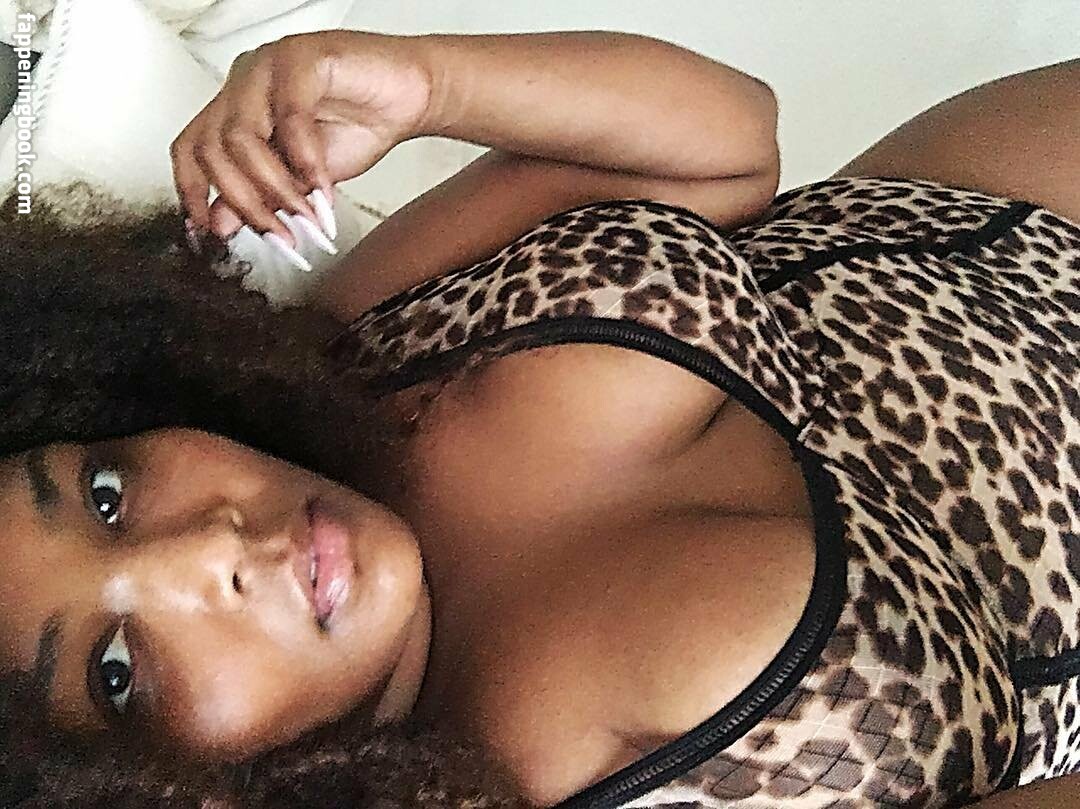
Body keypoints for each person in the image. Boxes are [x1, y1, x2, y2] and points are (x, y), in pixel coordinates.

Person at [2, 28, 1080, 809]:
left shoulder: (355, 350)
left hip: (1004, 189)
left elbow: (730, 148)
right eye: (116, 670)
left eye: (106, 493)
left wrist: (423, 83)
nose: (205, 547)